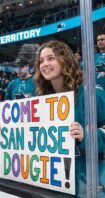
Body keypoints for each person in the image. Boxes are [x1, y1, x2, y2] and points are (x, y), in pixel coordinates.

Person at [33, 40, 105, 197]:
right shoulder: (40, 98)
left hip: (90, 181)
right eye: (41, 60)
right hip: (55, 181)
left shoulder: (93, 93)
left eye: (51, 58)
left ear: (65, 59)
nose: (45, 64)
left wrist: (89, 134)